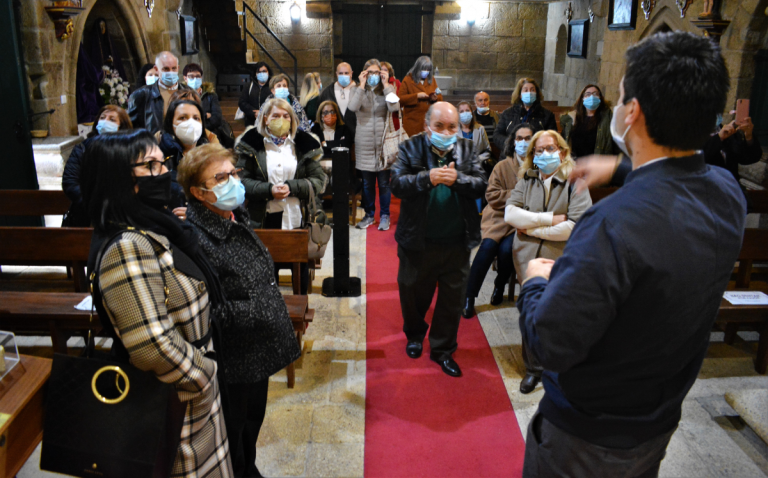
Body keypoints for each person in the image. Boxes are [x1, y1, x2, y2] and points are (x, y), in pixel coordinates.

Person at [518, 32, 745, 477]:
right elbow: (679, 178)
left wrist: (536, 283)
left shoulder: (611, 224)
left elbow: (550, 346)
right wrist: (622, 166)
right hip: (657, 418)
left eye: (620, 96)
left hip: (588, 433)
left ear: (633, 112)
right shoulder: (727, 192)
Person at [80, 130, 233, 478]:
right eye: (149, 165)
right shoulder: (127, 246)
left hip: (188, 390)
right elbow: (152, 345)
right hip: (174, 398)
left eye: (161, 162)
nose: (162, 173)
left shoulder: (152, 225)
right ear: (117, 178)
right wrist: (204, 376)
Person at [177, 144, 301, 478]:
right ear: (198, 192)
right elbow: (204, 307)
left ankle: (248, 468)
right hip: (232, 355)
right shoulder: (193, 235)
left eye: (233, 173)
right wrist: (256, 310)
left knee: (250, 423)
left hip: (254, 348)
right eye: (220, 177)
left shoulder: (233, 216)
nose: (232, 181)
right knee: (231, 430)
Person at [390, 102, 487, 377]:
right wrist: (427, 177)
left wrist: (457, 180)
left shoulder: (467, 150)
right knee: (412, 292)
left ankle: (443, 349)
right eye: (440, 126)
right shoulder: (411, 148)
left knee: (451, 300)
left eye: (452, 127)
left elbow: (481, 183)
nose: (446, 131)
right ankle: (414, 334)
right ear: (426, 126)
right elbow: (396, 183)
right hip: (418, 240)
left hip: (457, 241)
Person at [505, 129, 592, 395]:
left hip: (561, 259)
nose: (545, 155)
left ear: (563, 152)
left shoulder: (574, 180)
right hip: (528, 259)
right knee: (531, 313)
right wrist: (550, 219)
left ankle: (558, 368)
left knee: (560, 315)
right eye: (539, 151)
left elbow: (575, 225)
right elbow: (510, 213)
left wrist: (531, 227)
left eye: (550, 149)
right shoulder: (526, 179)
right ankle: (533, 370)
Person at [235, 98, 325, 294]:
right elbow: (240, 181)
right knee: (269, 272)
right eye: (276, 116)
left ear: (293, 120)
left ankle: (300, 310)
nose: (281, 120)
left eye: (286, 116)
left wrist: (291, 187)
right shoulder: (252, 144)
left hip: (297, 215)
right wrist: (269, 190)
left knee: (299, 271)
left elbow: (319, 180)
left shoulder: (302, 144)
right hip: (265, 216)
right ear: (265, 118)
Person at [462, 123, 534, 319]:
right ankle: (469, 296)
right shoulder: (503, 165)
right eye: (520, 138)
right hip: (498, 217)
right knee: (487, 248)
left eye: (528, 138)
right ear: (513, 141)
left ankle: (499, 285)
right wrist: (520, 193)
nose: (523, 142)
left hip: (520, 222)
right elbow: (492, 196)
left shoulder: (537, 165)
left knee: (506, 250)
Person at [348, 58, 400, 231]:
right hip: (364, 143)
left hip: (383, 143)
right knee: (368, 184)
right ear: (364, 73)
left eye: (377, 73)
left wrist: (386, 86)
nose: (374, 76)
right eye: (370, 73)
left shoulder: (386, 90)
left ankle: (384, 215)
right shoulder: (356, 89)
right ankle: (370, 215)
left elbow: (394, 107)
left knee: (384, 183)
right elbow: (353, 107)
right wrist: (362, 85)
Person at [62, 105, 132, 227]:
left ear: (122, 126)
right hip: (85, 214)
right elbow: (70, 181)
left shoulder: (130, 150)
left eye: (112, 119)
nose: (105, 122)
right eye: (102, 118)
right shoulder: (82, 148)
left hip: (121, 215)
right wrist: (94, 205)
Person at [703, 114, 762, 204]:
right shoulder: (687, 135)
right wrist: (719, 138)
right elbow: (697, 159)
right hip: (704, 197)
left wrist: (748, 136)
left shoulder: (730, 133)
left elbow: (749, 157)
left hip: (730, 197)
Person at [128, 51, 190, 134]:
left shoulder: (189, 93)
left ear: (178, 68)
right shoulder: (141, 95)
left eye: (174, 68)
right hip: (154, 144)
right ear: (156, 69)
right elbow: (132, 130)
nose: (170, 72)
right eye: (166, 69)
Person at [493, 78, 556, 151]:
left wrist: (535, 144)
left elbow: (552, 137)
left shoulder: (547, 115)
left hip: (536, 155)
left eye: (532, 90)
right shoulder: (507, 113)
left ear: (536, 94)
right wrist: (512, 143)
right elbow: (497, 135)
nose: (529, 93)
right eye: (525, 90)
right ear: (520, 95)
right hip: (511, 154)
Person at [560, 84, 617, 159]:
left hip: (597, 163)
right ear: (582, 98)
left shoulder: (607, 117)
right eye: (588, 94)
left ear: (600, 97)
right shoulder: (572, 118)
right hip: (574, 162)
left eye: (595, 94)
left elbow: (614, 142)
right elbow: (564, 140)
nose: (592, 97)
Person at [310, 100, 355, 195]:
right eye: (325, 112)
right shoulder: (315, 129)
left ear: (336, 113)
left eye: (332, 111)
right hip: (320, 167)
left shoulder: (344, 129)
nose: (329, 115)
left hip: (339, 165)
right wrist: (336, 145)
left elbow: (346, 146)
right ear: (321, 116)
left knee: (340, 175)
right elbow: (315, 148)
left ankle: (340, 206)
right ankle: (319, 206)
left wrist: (325, 144)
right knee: (316, 177)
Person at [399, 55, 443, 137]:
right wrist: (416, 96)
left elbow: (440, 96)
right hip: (412, 124)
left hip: (428, 123)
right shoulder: (408, 79)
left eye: (428, 69)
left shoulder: (432, 80)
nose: (426, 71)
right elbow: (400, 99)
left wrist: (435, 98)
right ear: (417, 68)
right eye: (424, 69)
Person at [319, 62, 357, 137]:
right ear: (336, 74)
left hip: (356, 136)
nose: (344, 75)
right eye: (341, 73)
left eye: (346, 73)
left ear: (351, 73)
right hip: (335, 137)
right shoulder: (328, 92)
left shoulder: (359, 90)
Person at [183, 63, 223, 134]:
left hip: (207, 133)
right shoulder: (181, 95)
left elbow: (217, 118)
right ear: (185, 78)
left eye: (198, 76)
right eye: (191, 76)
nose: (195, 79)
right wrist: (205, 116)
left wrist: (199, 128)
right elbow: (182, 119)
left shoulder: (211, 95)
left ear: (201, 78)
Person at [239, 61, 272, 128]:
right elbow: (242, 102)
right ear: (255, 74)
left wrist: (263, 113)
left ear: (268, 73)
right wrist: (254, 113)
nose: (262, 74)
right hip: (251, 122)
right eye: (259, 72)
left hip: (269, 122)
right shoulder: (248, 86)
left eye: (264, 71)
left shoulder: (273, 86)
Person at [380, 61, 402, 130]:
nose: (383, 72)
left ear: (389, 72)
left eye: (385, 70)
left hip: (392, 119)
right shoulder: (375, 84)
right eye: (381, 70)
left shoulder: (396, 83)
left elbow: (400, 100)